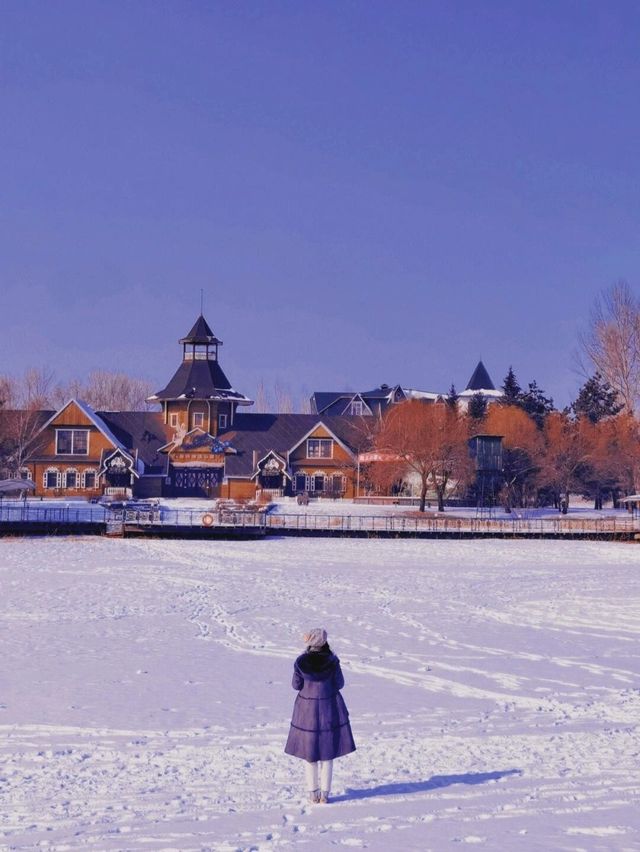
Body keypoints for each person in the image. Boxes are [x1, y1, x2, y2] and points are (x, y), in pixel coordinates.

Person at [284, 628, 356, 804]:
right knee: (327, 753)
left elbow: (295, 685)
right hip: (328, 709)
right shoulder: (332, 661)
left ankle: (312, 794)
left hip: (306, 711)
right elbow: (340, 683)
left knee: (310, 755)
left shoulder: (301, 662)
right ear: (324, 642)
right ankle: (325, 795)